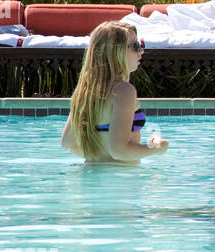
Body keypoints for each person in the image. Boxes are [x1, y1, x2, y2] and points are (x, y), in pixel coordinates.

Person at [62, 21, 170, 164]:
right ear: (116, 51)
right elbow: (119, 151)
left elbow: (68, 143)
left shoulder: (86, 91)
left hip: (92, 175)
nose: (141, 51)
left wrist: (101, 160)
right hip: (122, 180)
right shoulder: (124, 91)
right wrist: (156, 148)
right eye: (136, 46)